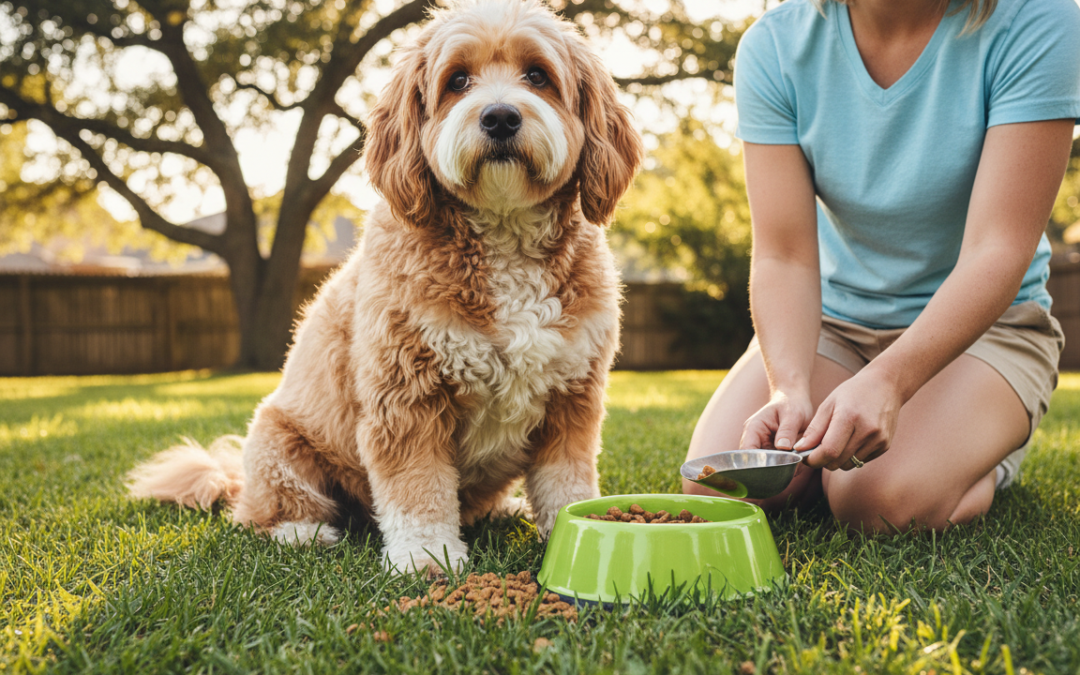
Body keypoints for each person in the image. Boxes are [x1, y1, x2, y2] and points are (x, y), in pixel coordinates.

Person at [682, 0, 1080, 533]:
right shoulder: (773, 46)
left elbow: (997, 248)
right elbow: (784, 255)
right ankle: (868, 456)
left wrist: (889, 382)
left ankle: (983, 455)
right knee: (718, 486)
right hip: (835, 326)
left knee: (874, 503)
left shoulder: (1039, 22)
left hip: (987, 331)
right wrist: (790, 387)